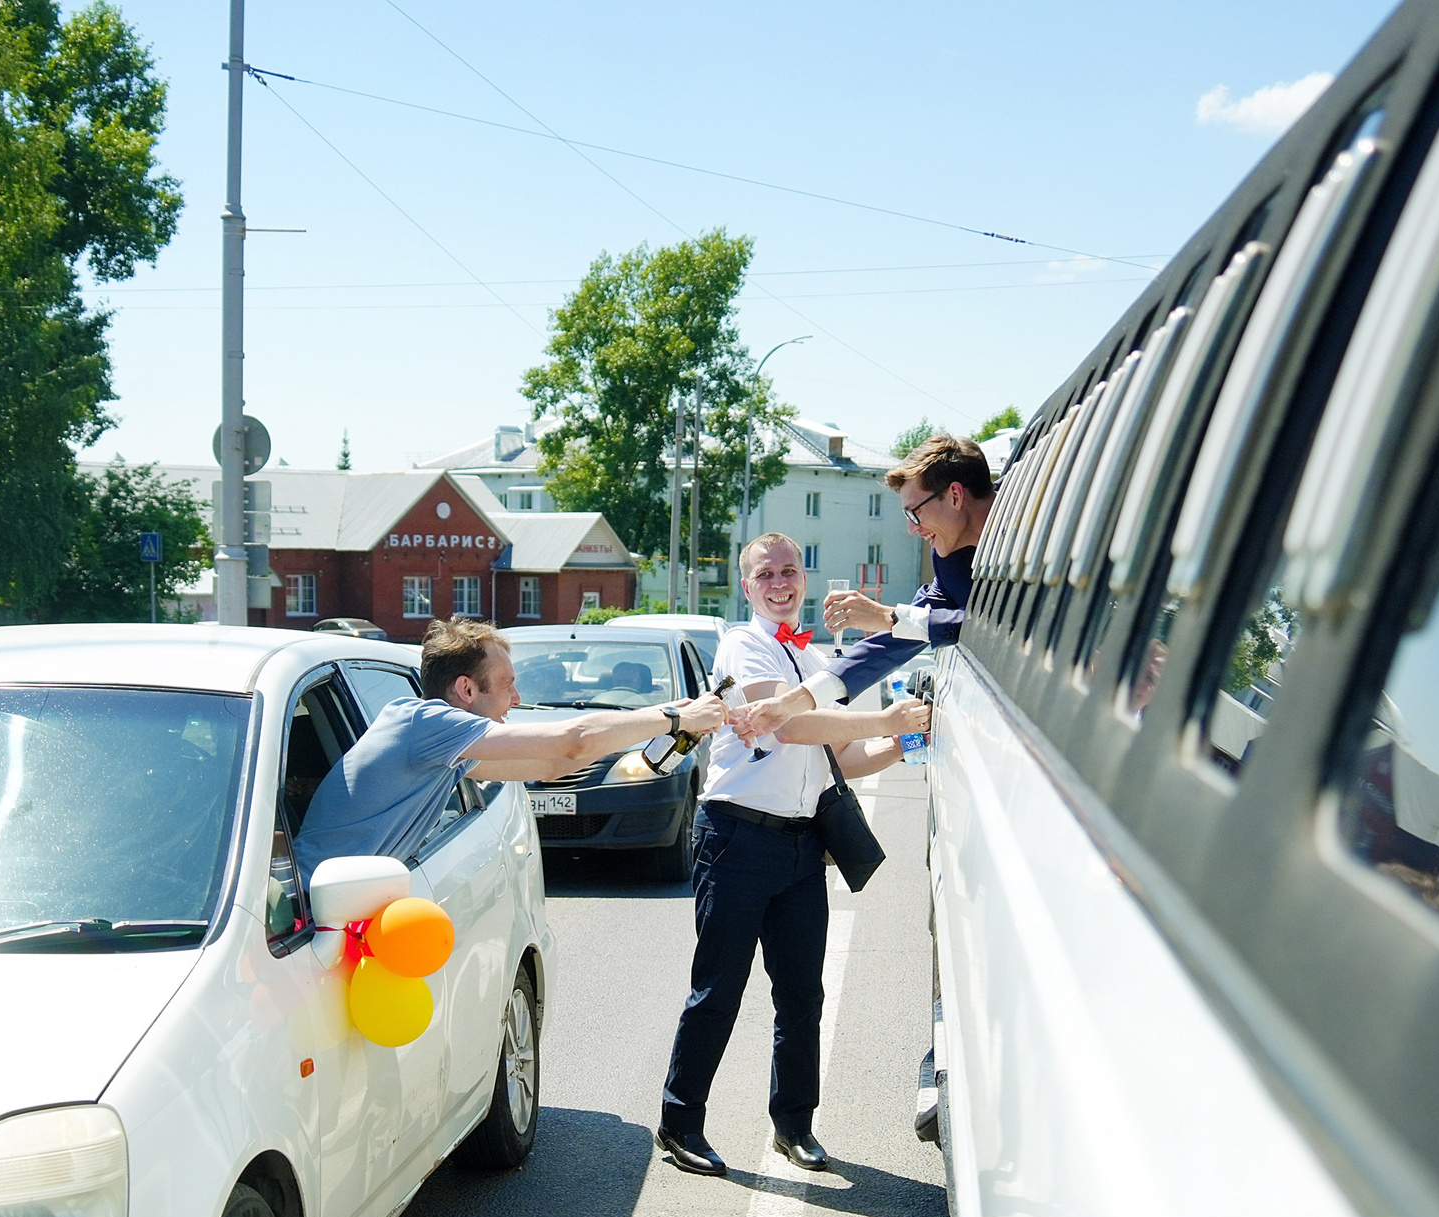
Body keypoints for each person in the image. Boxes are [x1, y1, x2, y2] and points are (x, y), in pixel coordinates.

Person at [656, 535, 932, 1179]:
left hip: (803, 843)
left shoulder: (810, 659)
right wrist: (883, 721)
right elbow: (790, 727)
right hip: (738, 838)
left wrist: (908, 736)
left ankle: (793, 1124)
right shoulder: (743, 644)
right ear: (746, 586)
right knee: (717, 990)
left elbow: (839, 758)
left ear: (801, 578)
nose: (780, 582)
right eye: (765, 575)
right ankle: (679, 1122)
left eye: (789, 571)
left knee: (803, 994)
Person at [296, 618, 729, 871]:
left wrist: (668, 726)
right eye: (507, 685)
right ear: (466, 689)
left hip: (335, 900)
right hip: (307, 907)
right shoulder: (425, 722)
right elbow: (573, 739)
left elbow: (551, 765)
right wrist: (675, 718)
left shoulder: (446, 749)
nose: (517, 700)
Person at [734, 433, 993, 737]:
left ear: (955, 496)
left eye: (914, 512)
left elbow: (1002, 627)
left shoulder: (1039, 526)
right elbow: (894, 641)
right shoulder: (947, 559)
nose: (911, 529)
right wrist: (790, 703)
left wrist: (888, 617)